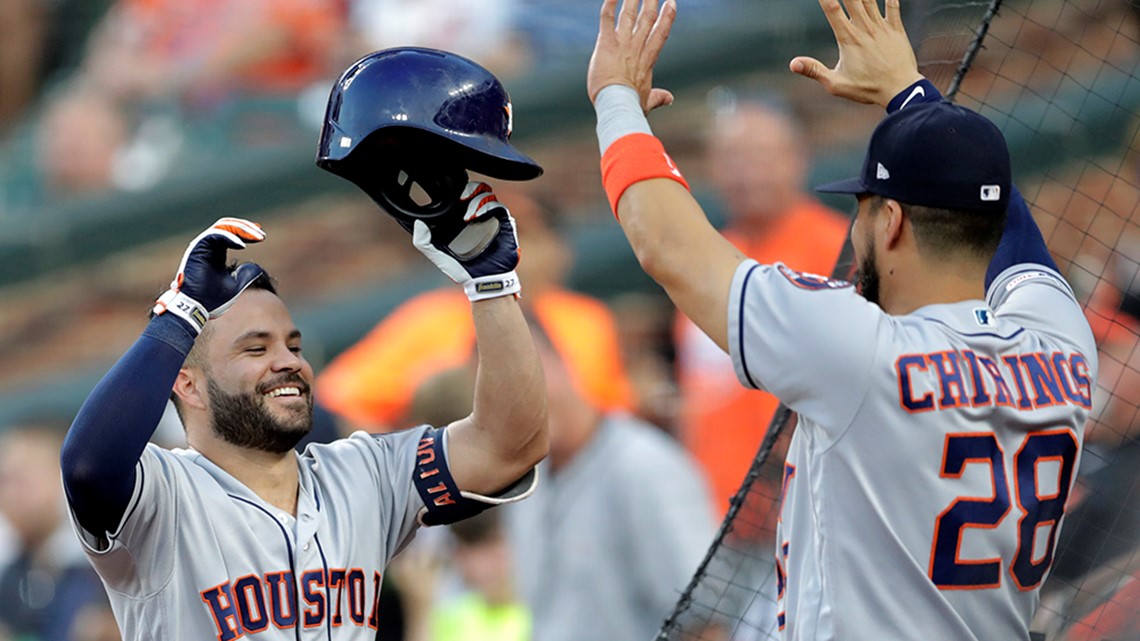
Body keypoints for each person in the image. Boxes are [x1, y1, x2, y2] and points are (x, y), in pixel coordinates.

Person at [587, 1, 1096, 640]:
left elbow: (666, 242)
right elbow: (1009, 224)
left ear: (891, 222)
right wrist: (912, 99)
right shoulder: (1062, 342)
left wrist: (614, 98)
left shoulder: (860, 352)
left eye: (861, 208)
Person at [59, 206, 547, 637]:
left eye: (293, 346)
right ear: (187, 385)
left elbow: (509, 444)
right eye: (256, 348)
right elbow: (88, 467)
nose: (288, 361)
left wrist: (490, 287)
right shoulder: (164, 498)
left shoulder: (365, 474)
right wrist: (180, 316)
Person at [316, 189, 635, 433]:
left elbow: (611, 414)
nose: (512, 249)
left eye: (527, 235)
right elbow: (339, 401)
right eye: (491, 235)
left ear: (560, 250)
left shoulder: (586, 320)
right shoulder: (431, 318)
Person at [677, 91, 850, 515]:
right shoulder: (707, 258)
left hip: (811, 510)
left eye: (759, 157)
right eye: (732, 158)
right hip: (718, 514)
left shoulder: (840, 247)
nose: (745, 174)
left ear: (797, 159)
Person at [503, 337, 716, 641]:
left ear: (562, 364)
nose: (515, 404)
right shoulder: (522, 483)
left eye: (521, 378)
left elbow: (705, 622)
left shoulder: (645, 466)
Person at [0, 422, 109, 641]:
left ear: (59, 477)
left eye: (20, 480)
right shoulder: (10, 569)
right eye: (3, 482)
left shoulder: (104, 556)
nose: (9, 494)